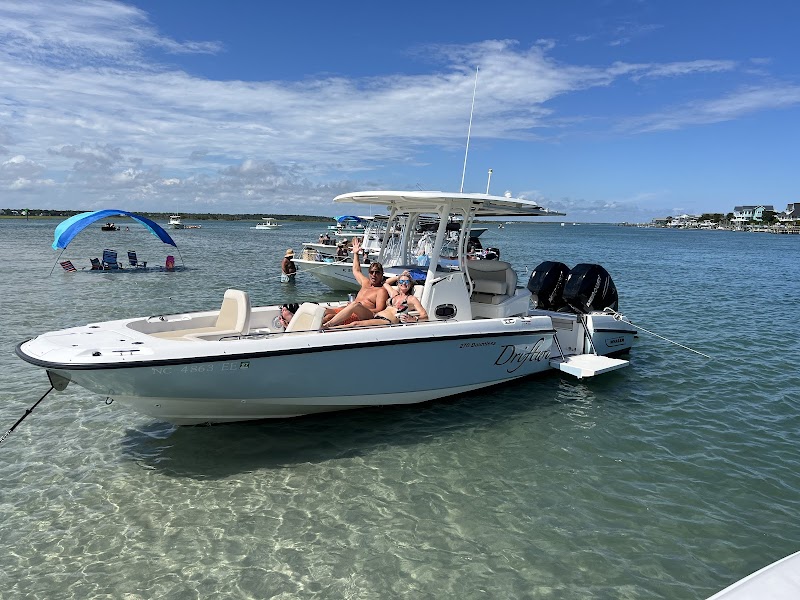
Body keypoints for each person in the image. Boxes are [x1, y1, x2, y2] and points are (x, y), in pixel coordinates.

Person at [322, 237, 388, 328]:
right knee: (324, 311)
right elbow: (356, 271)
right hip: (351, 310)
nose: (374, 275)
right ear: (369, 273)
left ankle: (325, 327)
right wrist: (356, 253)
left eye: (377, 273)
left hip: (364, 316)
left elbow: (379, 310)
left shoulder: (381, 291)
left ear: (381, 275)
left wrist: (360, 307)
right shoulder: (366, 283)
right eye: (372, 272)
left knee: (331, 316)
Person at [327, 270, 427, 328]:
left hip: (387, 321)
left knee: (356, 324)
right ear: (398, 283)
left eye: (406, 282)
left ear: (410, 284)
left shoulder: (411, 299)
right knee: (355, 305)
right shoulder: (394, 294)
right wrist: (399, 276)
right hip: (375, 316)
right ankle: (328, 325)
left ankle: (328, 329)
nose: (403, 284)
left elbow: (425, 316)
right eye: (401, 281)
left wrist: (413, 319)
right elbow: (385, 283)